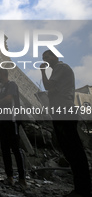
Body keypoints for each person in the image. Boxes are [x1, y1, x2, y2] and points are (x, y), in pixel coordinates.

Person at [40, 50, 91, 197]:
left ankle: (83, 189)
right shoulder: (57, 71)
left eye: (47, 56)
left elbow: (47, 87)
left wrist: (42, 71)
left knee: (74, 149)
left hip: (65, 110)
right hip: (60, 111)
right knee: (69, 149)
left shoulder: (61, 68)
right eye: (43, 58)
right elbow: (51, 88)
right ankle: (80, 188)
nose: (45, 59)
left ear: (55, 56)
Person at [0, 68, 27, 188]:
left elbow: (9, 99)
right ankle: (9, 177)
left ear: (3, 74)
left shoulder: (12, 85)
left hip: (12, 120)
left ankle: (22, 179)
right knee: (5, 149)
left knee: (15, 148)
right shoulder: (2, 88)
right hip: (3, 122)